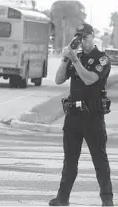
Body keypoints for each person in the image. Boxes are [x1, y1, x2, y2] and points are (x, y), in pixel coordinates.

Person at [49, 23, 114, 206]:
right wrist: (65, 58)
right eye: (79, 38)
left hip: (92, 115)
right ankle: (63, 198)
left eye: (85, 37)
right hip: (73, 116)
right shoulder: (74, 57)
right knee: (69, 160)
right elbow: (59, 79)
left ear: (93, 37)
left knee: (99, 160)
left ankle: (107, 200)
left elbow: (89, 79)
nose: (82, 41)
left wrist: (75, 61)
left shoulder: (101, 59)